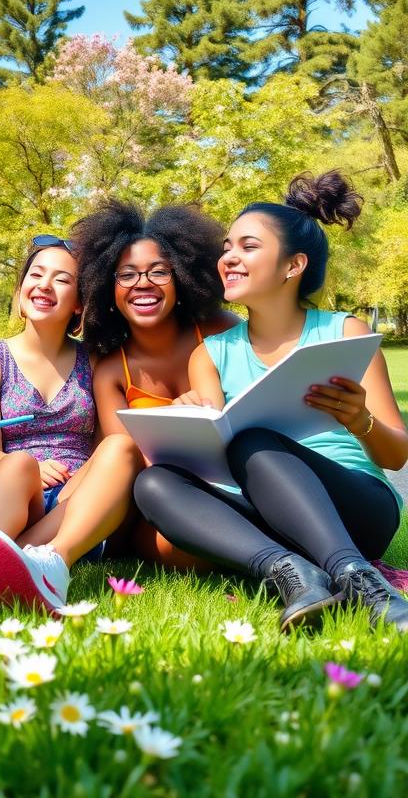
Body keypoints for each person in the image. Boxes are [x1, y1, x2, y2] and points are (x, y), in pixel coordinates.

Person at [134, 172, 408, 631]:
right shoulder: (212, 354)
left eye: (247, 247)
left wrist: (360, 420)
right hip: (265, 517)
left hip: (357, 511)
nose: (228, 258)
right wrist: (194, 422)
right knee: (153, 484)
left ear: (292, 266)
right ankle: (289, 571)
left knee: (256, 441)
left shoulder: (343, 331)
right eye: (227, 247)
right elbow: (215, 463)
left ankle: (358, 577)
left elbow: (397, 453)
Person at [0, 236, 144, 615]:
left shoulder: (95, 358)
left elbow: (107, 445)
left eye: (61, 279)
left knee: (122, 446)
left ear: (79, 302)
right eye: (36, 274)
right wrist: (32, 467)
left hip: (76, 498)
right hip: (15, 495)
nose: (44, 285)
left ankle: (37, 564)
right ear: (21, 289)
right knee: (17, 462)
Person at [73, 202, 239, 567]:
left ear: (182, 279)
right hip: (163, 501)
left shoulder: (222, 331)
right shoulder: (112, 372)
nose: (143, 283)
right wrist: (177, 426)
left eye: (159, 272)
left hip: (237, 484)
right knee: (172, 545)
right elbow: (128, 462)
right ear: (107, 290)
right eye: (126, 274)